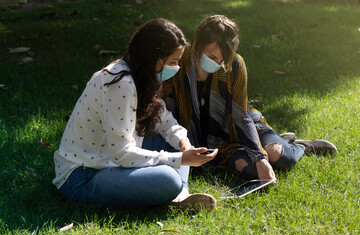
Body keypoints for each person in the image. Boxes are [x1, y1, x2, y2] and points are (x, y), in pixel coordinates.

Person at [52, 18, 218, 211]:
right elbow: (122, 154)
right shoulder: (121, 84)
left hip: (109, 161)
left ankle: (180, 196)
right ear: (154, 56)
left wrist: (183, 143)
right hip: (84, 176)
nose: (176, 68)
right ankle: (174, 190)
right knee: (169, 178)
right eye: (173, 62)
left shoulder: (140, 76)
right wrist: (181, 159)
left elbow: (164, 120)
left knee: (173, 142)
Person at [162, 15, 337, 180]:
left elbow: (241, 116)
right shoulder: (178, 63)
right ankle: (276, 143)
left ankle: (300, 147)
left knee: (279, 158)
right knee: (252, 170)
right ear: (198, 45)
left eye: (222, 60)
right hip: (207, 141)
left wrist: (259, 157)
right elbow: (167, 111)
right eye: (212, 56)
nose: (216, 64)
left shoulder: (235, 64)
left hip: (241, 124)